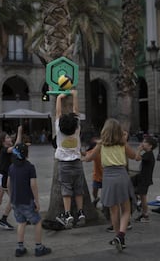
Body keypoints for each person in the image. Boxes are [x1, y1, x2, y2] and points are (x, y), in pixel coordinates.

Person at [84, 118, 136, 251]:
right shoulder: (122, 144)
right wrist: (125, 139)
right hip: (122, 175)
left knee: (114, 210)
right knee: (126, 210)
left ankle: (117, 235)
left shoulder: (101, 145)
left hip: (107, 177)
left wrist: (81, 155)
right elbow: (133, 156)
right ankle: (121, 236)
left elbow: (89, 158)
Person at [7, 143, 52, 257]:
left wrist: (11, 197)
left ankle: (20, 248)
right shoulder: (29, 167)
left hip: (15, 201)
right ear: (27, 154)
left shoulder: (11, 167)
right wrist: (37, 200)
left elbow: (8, 184)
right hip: (27, 200)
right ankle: (38, 247)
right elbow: (33, 185)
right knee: (37, 222)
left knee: (21, 223)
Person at [54, 89, 86, 228]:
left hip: (63, 164)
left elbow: (57, 114)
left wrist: (59, 98)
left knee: (66, 189)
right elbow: (76, 112)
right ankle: (80, 212)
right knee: (78, 188)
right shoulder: (77, 129)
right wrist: (74, 95)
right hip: (77, 163)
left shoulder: (59, 130)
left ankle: (68, 214)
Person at [132, 136, 157, 223]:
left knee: (143, 197)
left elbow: (137, 158)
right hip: (142, 178)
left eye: (145, 142)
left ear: (150, 146)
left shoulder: (148, 154)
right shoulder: (148, 154)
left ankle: (145, 215)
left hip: (144, 179)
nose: (142, 143)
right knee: (140, 194)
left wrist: (139, 150)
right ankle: (140, 207)